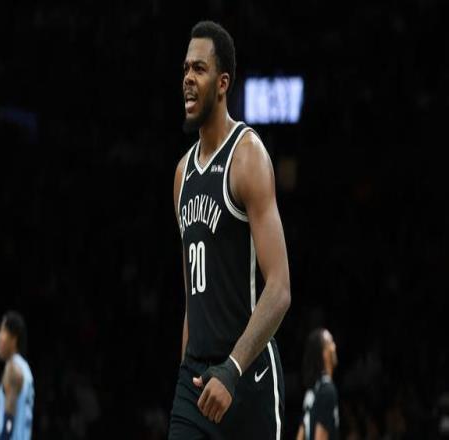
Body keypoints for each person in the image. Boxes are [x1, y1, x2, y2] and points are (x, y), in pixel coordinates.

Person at [168, 20, 291, 439]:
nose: (187, 78)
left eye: (199, 69)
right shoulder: (182, 174)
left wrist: (232, 369)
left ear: (222, 84)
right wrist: (185, 372)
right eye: (185, 69)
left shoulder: (248, 156)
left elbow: (280, 288)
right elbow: (192, 296)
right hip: (196, 381)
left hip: (247, 376)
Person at [0, 311, 34, 440]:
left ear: (13, 338)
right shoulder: (26, 370)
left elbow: (9, 422)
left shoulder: (12, 369)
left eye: (2, 331)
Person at [296, 328, 339, 440]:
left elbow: (300, 436)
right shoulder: (328, 391)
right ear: (324, 353)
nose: (334, 346)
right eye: (331, 342)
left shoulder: (311, 392)